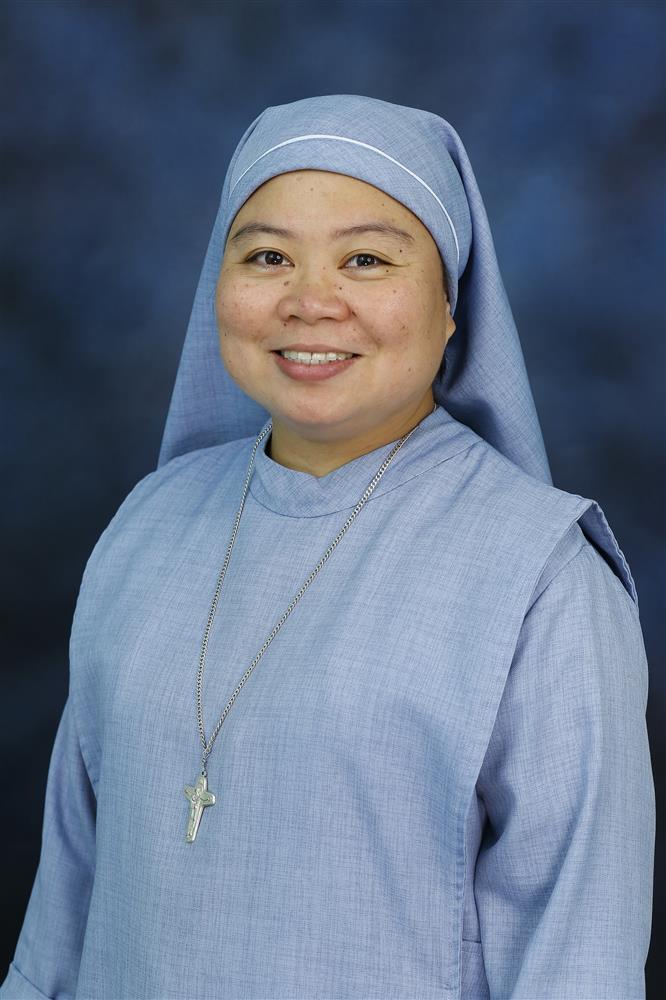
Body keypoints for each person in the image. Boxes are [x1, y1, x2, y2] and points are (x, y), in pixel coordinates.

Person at [1, 94, 655, 1000]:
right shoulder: (146, 525)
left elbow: (576, 962)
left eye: (366, 260)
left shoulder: (544, 579)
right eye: (268, 256)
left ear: (451, 301)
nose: (311, 302)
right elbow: (61, 923)